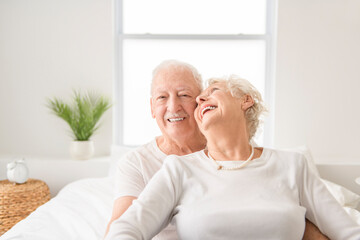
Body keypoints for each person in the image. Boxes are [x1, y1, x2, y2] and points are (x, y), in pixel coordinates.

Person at [106, 75, 360, 240]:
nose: (201, 99)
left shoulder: (293, 165)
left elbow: (348, 233)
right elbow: (124, 229)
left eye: (213, 90)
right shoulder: (179, 170)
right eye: (199, 99)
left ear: (245, 101)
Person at [104, 60, 207, 239]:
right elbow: (120, 228)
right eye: (162, 97)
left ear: (201, 102)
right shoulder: (136, 163)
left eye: (183, 95)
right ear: (152, 108)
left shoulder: (225, 151)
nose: (173, 107)